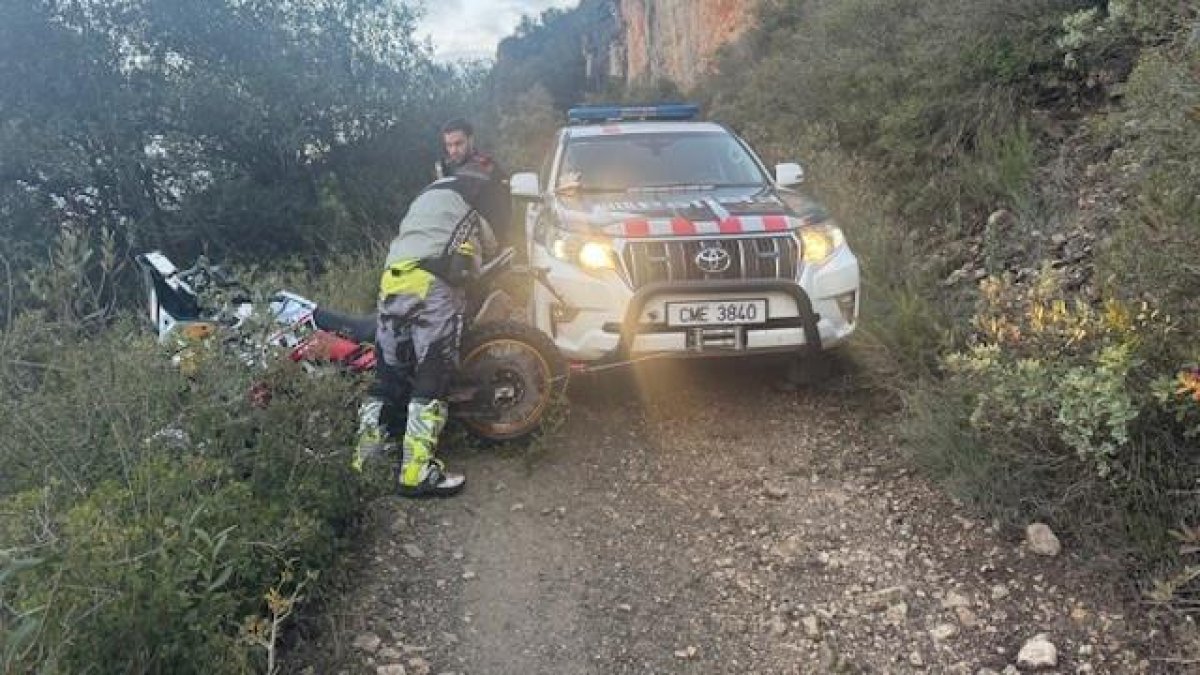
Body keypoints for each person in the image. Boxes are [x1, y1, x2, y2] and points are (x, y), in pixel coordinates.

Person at [353, 163, 506, 497]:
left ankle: (367, 461)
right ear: (474, 188)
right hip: (431, 288)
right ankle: (416, 471)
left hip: (393, 280)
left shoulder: (423, 200)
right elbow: (487, 255)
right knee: (433, 374)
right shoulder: (469, 212)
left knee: (388, 374)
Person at [436, 118, 515, 252]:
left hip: (485, 241)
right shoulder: (447, 168)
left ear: (471, 140)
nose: (453, 150)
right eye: (449, 145)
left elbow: (502, 212)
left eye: (458, 144)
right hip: (455, 237)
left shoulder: (486, 167)